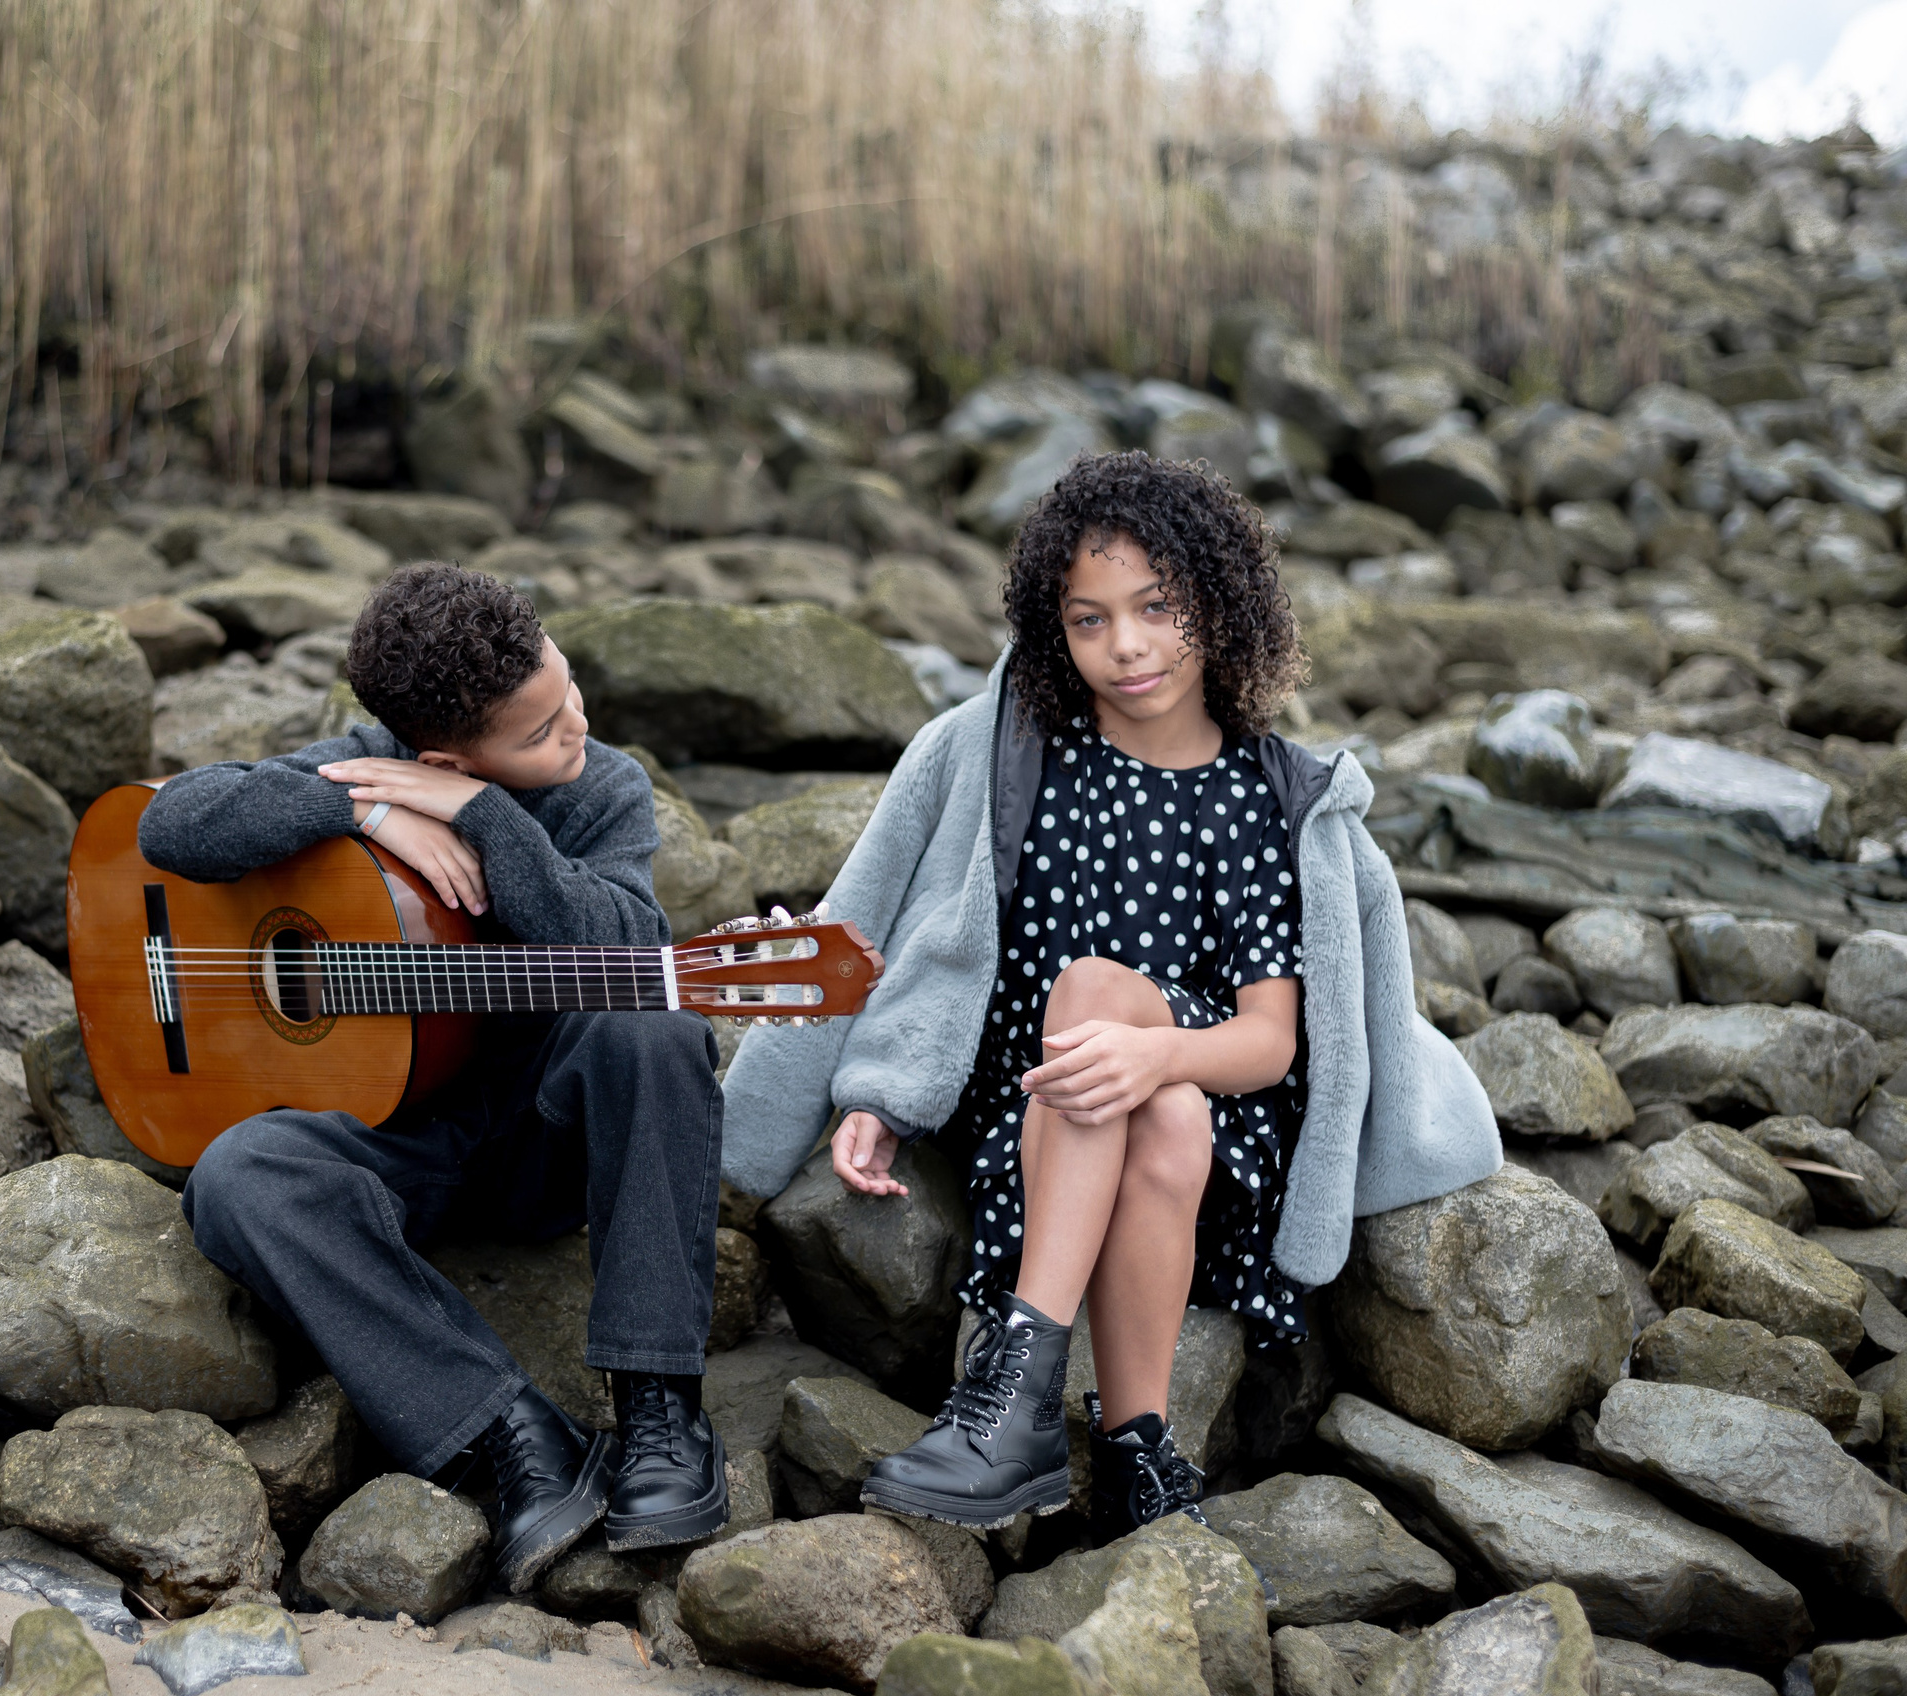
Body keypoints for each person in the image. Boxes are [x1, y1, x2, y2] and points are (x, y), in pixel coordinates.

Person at [718, 451, 1500, 1542]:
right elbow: (914, 926)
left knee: (1135, 1049)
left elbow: (1271, 1042)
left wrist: (1158, 1054)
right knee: (1110, 1046)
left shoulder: (1258, 802)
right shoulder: (1014, 753)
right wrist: (881, 1089)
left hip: (1213, 1123)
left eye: (1156, 607)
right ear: (1053, 631)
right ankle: (1140, 1451)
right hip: (1041, 1112)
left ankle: (1015, 1395)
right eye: (1089, 621)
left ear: (1219, 607)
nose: (1124, 646)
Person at [138, 562, 729, 1592]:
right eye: (539, 732)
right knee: (238, 1175)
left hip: (539, 1135)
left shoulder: (600, 788)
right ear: (439, 750)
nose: (574, 726)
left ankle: (659, 1414)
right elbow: (174, 822)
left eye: (568, 690)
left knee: (656, 1028)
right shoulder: (367, 764)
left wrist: (483, 816)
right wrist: (357, 814)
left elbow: (633, 944)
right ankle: (513, 1438)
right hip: (397, 1143)